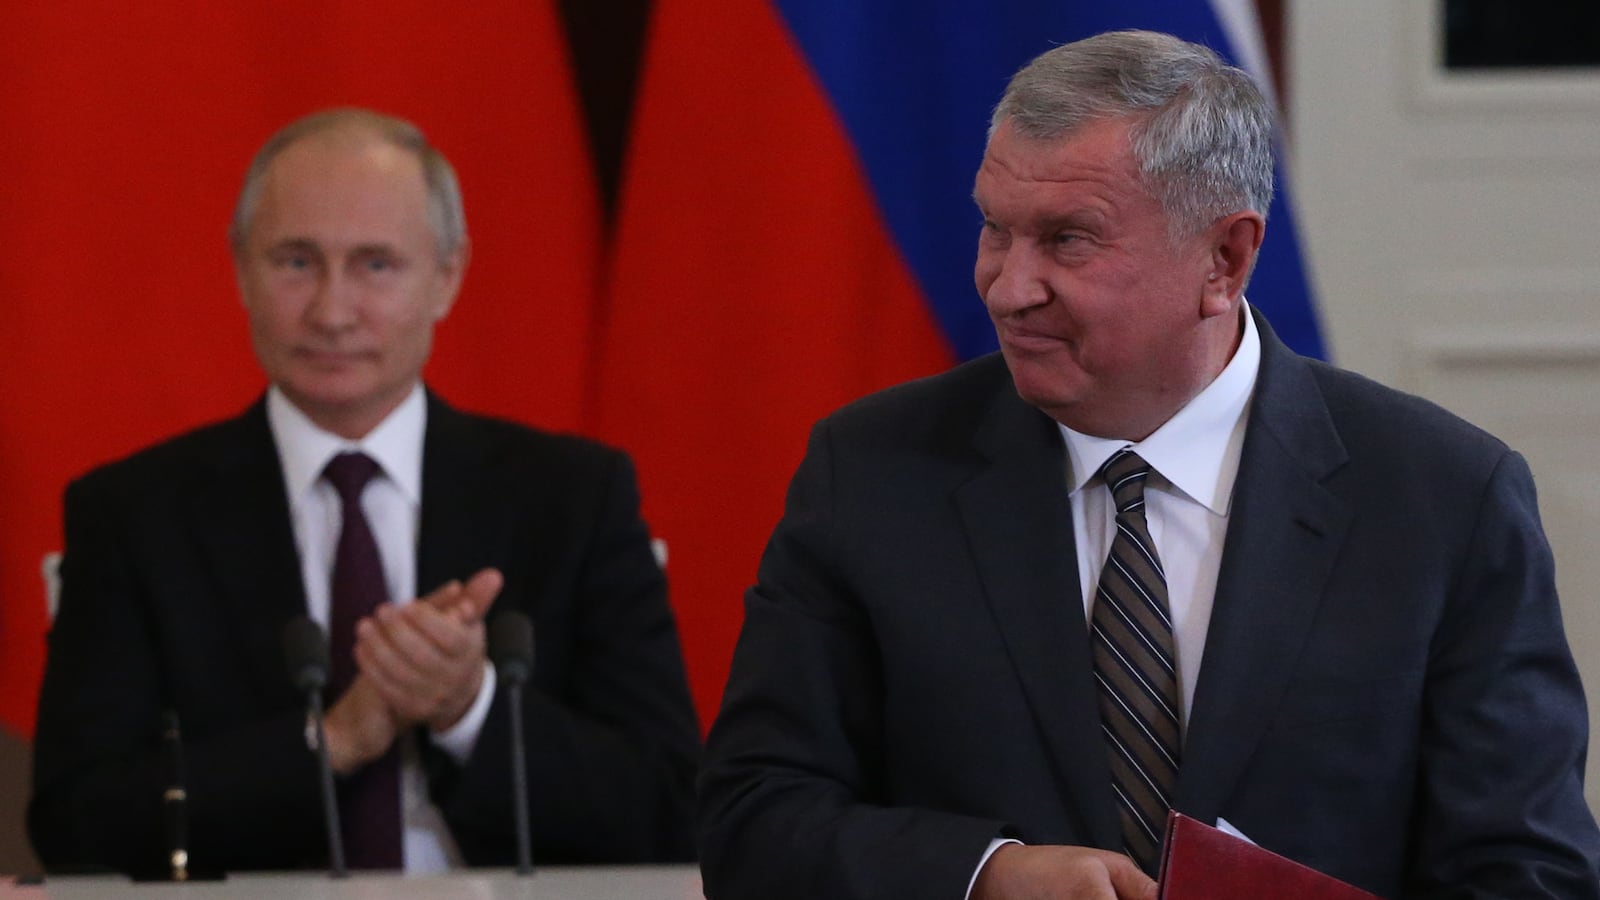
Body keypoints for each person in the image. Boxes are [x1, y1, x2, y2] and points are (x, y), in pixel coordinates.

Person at [696, 30, 1600, 900]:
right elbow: (752, 824)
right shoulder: (872, 473)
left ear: (1225, 258)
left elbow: (1528, 872)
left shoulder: (1442, 499)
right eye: (995, 230)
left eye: (1067, 240)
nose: (1008, 286)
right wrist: (985, 875)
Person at [29, 108, 700, 874]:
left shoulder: (573, 499)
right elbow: (76, 825)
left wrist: (467, 708)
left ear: (447, 278)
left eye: (375, 265)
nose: (332, 311)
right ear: (240, 267)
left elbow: (673, 810)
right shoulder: (133, 516)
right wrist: (335, 740)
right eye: (295, 262)